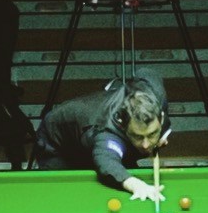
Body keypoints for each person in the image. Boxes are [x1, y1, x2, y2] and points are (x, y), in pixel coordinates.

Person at [39, 70, 174, 188]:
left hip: (88, 135)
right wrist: (135, 184)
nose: (145, 145)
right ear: (122, 124)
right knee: (66, 192)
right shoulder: (106, 131)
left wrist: (162, 131)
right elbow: (107, 161)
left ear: (161, 118)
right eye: (137, 136)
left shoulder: (154, 93)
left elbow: (146, 72)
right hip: (58, 143)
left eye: (152, 134)